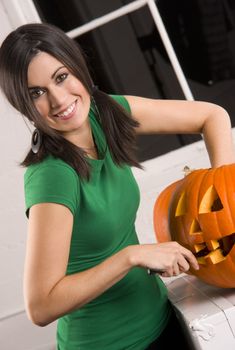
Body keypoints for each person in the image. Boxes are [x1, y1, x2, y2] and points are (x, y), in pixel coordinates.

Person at [0, 23, 234, 350]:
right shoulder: (52, 174)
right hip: (110, 344)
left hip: (164, 320)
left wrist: (223, 189)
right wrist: (131, 257)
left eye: (61, 77)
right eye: (36, 93)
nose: (58, 100)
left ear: (77, 67)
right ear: (23, 104)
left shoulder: (104, 115)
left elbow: (212, 116)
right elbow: (41, 306)